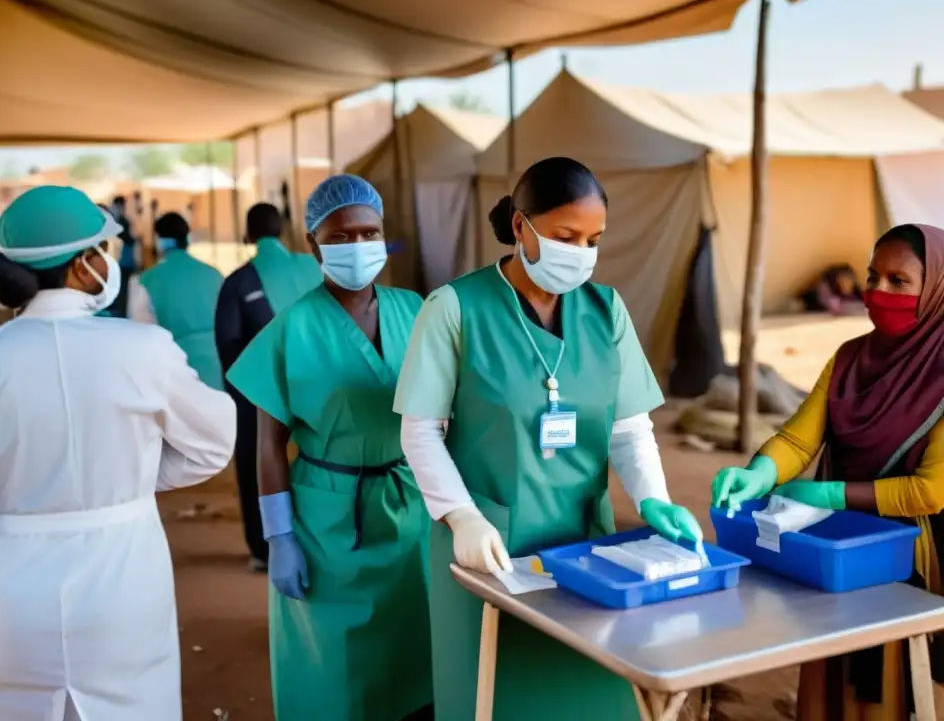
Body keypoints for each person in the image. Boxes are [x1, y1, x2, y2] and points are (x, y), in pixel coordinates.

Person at [393, 157, 704, 721]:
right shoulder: (455, 308)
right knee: (494, 692)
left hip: (584, 546)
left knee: (582, 688)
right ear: (519, 226)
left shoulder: (606, 311)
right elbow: (420, 431)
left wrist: (653, 499)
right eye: (565, 236)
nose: (581, 252)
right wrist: (460, 516)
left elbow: (629, 429)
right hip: (488, 547)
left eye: (593, 239)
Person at [0, 185, 236, 720]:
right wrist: (129, 478)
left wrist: (8, 541)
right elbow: (212, 446)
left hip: (13, 588)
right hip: (127, 575)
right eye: (103, 252)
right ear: (84, 264)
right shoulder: (143, 349)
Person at [712, 223, 944, 721]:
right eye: (872, 276)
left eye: (899, 281)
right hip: (836, 545)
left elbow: (930, 491)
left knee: (889, 678)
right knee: (831, 658)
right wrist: (759, 473)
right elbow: (799, 438)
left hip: (907, 554)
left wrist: (830, 496)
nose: (878, 291)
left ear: (934, 290)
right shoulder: (850, 358)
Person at [227, 175, 433, 721]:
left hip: (409, 505)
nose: (359, 246)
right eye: (342, 237)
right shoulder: (291, 328)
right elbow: (268, 445)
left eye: (370, 233)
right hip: (327, 522)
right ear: (314, 244)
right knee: (336, 666)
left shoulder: (415, 311)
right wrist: (278, 536)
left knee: (416, 650)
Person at [215, 202, 322, 573]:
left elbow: (228, 346)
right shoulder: (314, 266)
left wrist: (243, 399)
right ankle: (323, 536)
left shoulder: (239, 281)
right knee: (324, 460)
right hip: (324, 385)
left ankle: (263, 548)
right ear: (284, 231)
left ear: (247, 236)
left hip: (262, 391)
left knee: (257, 457)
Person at [128, 213, 225, 390]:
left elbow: (139, 333)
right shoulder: (214, 274)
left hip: (174, 374)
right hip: (218, 370)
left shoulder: (145, 281)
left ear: (159, 241)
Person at [109, 195, 137, 316]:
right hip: (120, 263)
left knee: (123, 293)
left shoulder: (123, 221)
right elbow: (128, 239)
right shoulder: (118, 222)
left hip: (125, 263)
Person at [801, 264, 865, 316]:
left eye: (849, 279)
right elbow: (835, 308)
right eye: (842, 280)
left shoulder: (856, 291)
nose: (847, 283)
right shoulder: (827, 289)